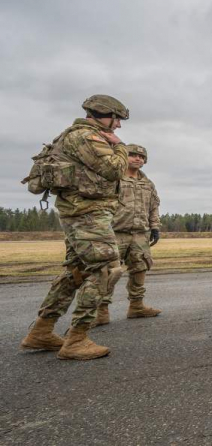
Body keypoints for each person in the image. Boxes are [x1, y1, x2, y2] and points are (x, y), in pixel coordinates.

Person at [20, 95, 130, 360]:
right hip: (87, 214)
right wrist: (121, 147)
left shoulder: (70, 136)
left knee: (76, 271)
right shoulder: (87, 137)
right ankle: (77, 339)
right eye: (117, 120)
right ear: (104, 114)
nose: (118, 127)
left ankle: (42, 330)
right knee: (105, 269)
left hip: (79, 212)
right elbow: (115, 169)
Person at [95, 144, 161, 325]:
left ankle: (136, 306)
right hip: (115, 233)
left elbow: (154, 207)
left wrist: (154, 227)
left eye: (141, 156)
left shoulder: (147, 183)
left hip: (140, 234)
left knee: (140, 268)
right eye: (133, 155)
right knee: (108, 272)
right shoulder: (113, 179)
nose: (137, 158)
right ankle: (101, 311)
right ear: (124, 157)